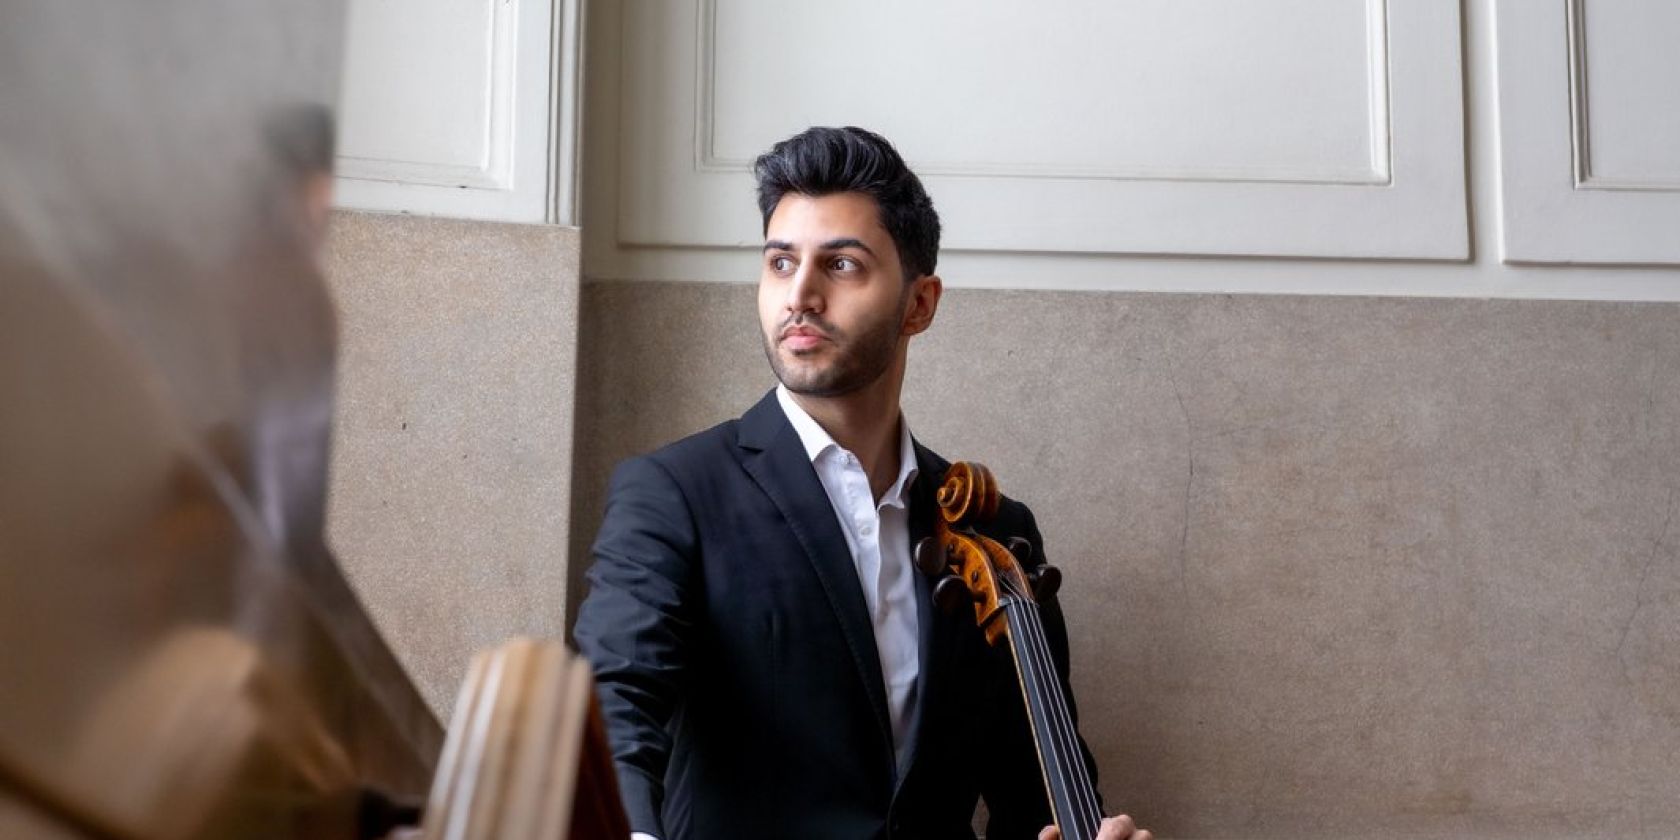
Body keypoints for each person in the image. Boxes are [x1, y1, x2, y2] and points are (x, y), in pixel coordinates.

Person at [573, 126, 1150, 840]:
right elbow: (608, 711)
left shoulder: (997, 533)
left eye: (841, 265)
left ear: (919, 304)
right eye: (781, 263)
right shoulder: (675, 493)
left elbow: (1035, 797)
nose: (801, 295)